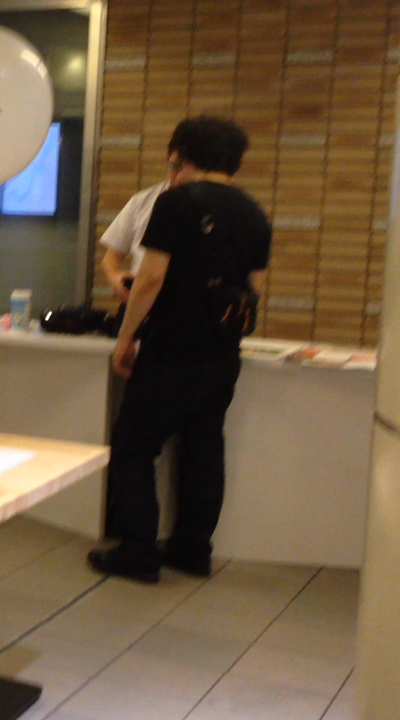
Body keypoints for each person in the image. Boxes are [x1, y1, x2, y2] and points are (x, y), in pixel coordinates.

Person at [88, 116, 272, 584]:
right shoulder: (254, 214)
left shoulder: (175, 203)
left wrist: (127, 336)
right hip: (222, 353)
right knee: (204, 447)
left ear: (182, 155)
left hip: (171, 347)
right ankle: (192, 550)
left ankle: (138, 551)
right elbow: (254, 289)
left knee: (134, 446)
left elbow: (150, 278)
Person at [99, 173, 175, 301]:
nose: (175, 174)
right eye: (173, 167)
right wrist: (115, 277)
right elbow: (111, 258)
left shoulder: (206, 201)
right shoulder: (143, 199)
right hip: (140, 297)